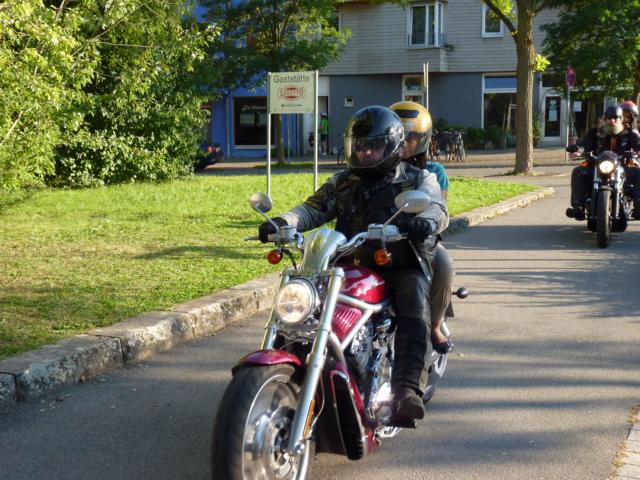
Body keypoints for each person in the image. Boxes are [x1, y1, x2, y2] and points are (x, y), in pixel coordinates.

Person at [258, 105, 449, 423]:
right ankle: (287, 368)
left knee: (414, 302)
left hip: (398, 263)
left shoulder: (417, 178)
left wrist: (425, 221)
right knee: (306, 301)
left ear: (392, 147)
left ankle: (406, 391)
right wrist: (283, 222)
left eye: (372, 147)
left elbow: (435, 206)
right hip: (348, 263)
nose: (364, 153)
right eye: (359, 146)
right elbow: (312, 208)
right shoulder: (342, 182)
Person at [389, 100, 454, 354]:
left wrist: (425, 221)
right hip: (378, 238)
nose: (404, 143)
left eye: (411, 138)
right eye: (399, 137)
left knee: (444, 264)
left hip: (419, 240)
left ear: (422, 140)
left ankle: (435, 325)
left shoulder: (433, 171)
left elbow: (438, 205)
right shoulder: (378, 170)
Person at [566, 104, 640, 220]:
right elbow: (585, 144)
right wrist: (578, 150)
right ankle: (578, 206)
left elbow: (637, 144)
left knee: (638, 171)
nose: (612, 121)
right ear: (605, 119)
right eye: (609, 118)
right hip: (597, 166)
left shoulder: (630, 133)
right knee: (578, 171)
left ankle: (638, 205)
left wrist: (638, 150)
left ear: (621, 119)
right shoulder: (595, 132)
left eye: (615, 118)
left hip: (622, 166)